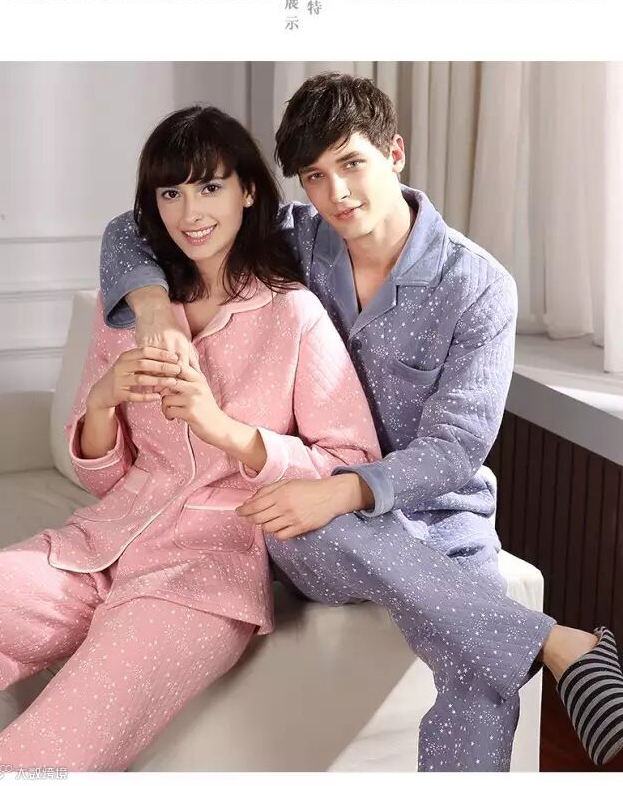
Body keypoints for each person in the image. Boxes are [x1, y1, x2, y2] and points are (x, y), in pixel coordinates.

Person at [98, 73, 623, 772]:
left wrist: (348, 489)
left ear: (394, 153)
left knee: (480, 677)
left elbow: (457, 448)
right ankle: (560, 645)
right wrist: (153, 309)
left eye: (351, 164)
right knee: (304, 524)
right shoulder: (293, 241)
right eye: (315, 176)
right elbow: (130, 228)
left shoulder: (479, 286)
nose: (337, 193)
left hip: (442, 515)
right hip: (316, 516)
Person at [0, 104, 383, 772]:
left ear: (247, 191)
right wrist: (104, 400)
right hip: (97, 547)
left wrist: (223, 428)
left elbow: (351, 461)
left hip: (204, 578)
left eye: (210, 187)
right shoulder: (133, 313)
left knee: (35, 754)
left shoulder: (293, 315)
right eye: (171, 193)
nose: (190, 212)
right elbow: (104, 478)